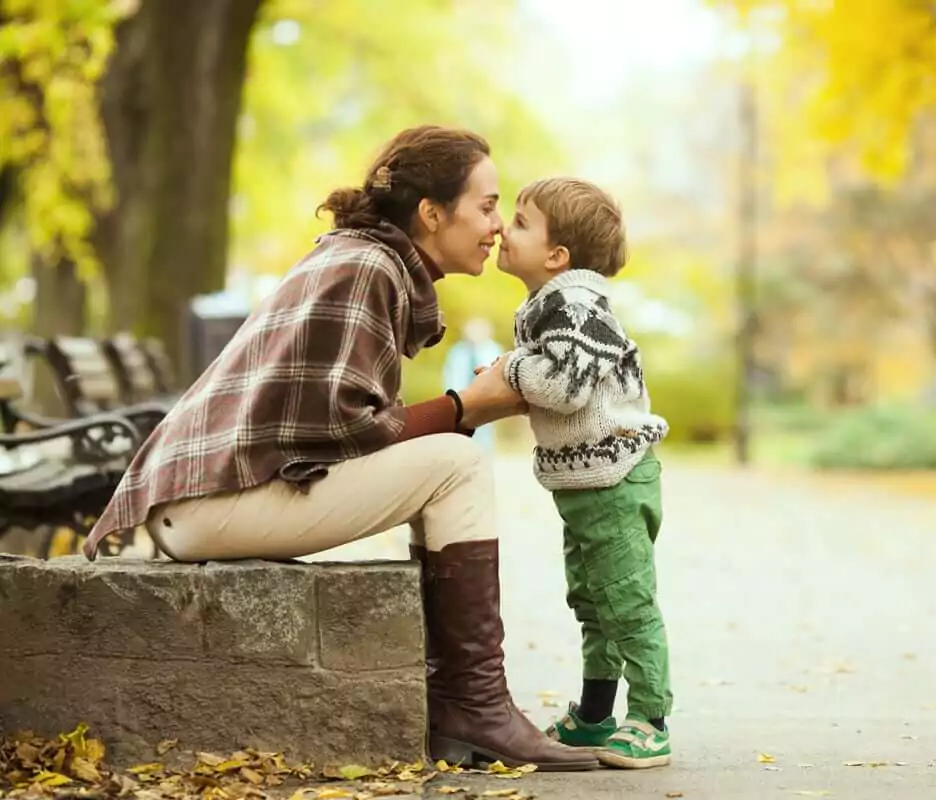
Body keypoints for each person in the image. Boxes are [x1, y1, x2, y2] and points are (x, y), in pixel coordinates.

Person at [81, 126, 598, 772]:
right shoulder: (369, 267)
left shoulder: (364, 257)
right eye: (487, 206)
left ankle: (467, 706)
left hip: (204, 500)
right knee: (460, 463)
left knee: (454, 460)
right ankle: (474, 706)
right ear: (432, 214)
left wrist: (464, 409)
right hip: (208, 506)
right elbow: (353, 431)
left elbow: (337, 429)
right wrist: (469, 407)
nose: (496, 225)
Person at [494, 177, 672, 768]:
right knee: (592, 603)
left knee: (627, 603)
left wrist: (510, 370)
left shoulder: (577, 309)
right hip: (585, 486)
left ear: (557, 256)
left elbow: (566, 389)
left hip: (617, 481)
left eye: (519, 222)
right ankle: (596, 714)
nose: (501, 228)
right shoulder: (549, 306)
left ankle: (650, 717)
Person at [442, 317, 504, 451]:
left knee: (484, 434)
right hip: (462, 399)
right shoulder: (457, 352)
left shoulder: (493, 349)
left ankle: (483, 456)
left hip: (488, 399)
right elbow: (450, 375)